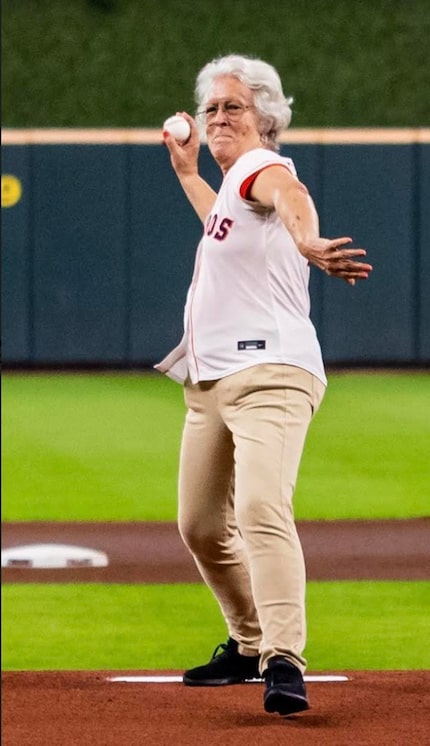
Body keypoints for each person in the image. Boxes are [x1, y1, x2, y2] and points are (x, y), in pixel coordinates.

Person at [156, 54, 372, 717]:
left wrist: (308, 239)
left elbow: (290, 197)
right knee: (198, 525)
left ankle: (283, 658)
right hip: (212, 380)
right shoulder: (230, 190)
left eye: (234, 106)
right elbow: (223, 225)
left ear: (266, 119)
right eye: (211, 107)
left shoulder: (262, 167)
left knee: (258, 511)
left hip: (270, 375)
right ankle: (248, 643)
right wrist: (191, 175)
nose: (218, 116)